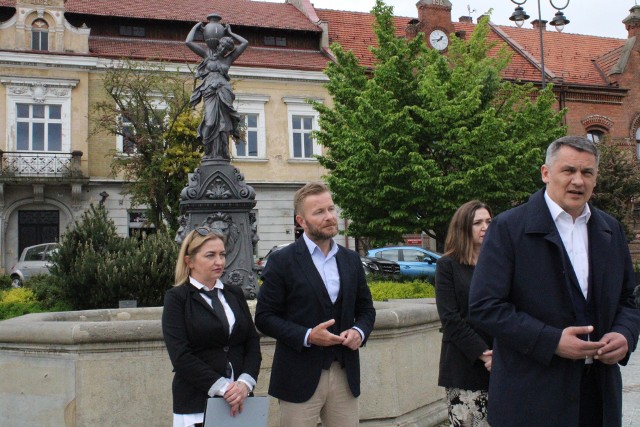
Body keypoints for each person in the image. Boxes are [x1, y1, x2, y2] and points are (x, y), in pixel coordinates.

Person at [468, 136, 640, 427]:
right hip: (532, 397)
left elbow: (629, 299)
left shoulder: (610, 230)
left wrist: (625, 335)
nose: (578, 181)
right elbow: (484, 306)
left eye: (587, 173)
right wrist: (551, 341)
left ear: (596, 179)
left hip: (598, 397)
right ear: (545, 173)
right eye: (568, 170)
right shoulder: (509, 228)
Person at [255, 182, 376, 427]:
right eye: (319, 212)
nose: (330, 217)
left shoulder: (351, 260)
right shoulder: (282, 261)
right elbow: (264, 317)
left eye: (331, 209)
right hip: (297, 377)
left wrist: (359, 332)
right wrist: (308, 335)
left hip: (345, 373)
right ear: (301, 221)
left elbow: (366, 310)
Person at [162, 227, 261, 427]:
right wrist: (224, 388)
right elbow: (180, 356)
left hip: (240, 401)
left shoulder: (234, 294)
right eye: (210, 255)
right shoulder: (177, 298)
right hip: (197, 401)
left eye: (222, 254)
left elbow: (251, 342)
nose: (220, 261)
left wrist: (244, 384)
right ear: (189, 261)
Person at [435, 200, 493, 427]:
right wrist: (484, 354)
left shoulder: (499, 263)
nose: (485, 227)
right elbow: (450, 319)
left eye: (488, 221)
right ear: (463, 228)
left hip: (502, 364)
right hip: (465, 365)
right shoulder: (447, 265)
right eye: (477, 222)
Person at [186, 19, 248, 159]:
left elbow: (245, 43)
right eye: (221, 47)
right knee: (209, 122)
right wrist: (197, 27)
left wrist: (231, 33)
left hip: (224, 92)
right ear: (218, 44)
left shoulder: (228, 59)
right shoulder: (207, 55)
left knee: (224, 126)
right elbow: (188, 42)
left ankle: (223, 154)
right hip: (209, 91)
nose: (222, 50)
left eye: (225, 49)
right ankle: (209, 154)